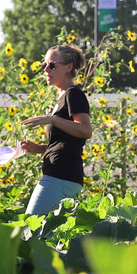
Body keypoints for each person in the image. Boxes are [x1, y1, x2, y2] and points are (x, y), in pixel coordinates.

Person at [17, 44, 92, 214]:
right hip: (63, 176)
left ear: (69, 67)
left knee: (29, 226)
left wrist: (53, 119)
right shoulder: (63, 97)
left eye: (51, 65)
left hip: (61, 176)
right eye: (44, 65)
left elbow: (86, 130)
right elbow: (67, 144)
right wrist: (39, 148)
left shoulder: (73, 94)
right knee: (47, 230)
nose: (45, 69)